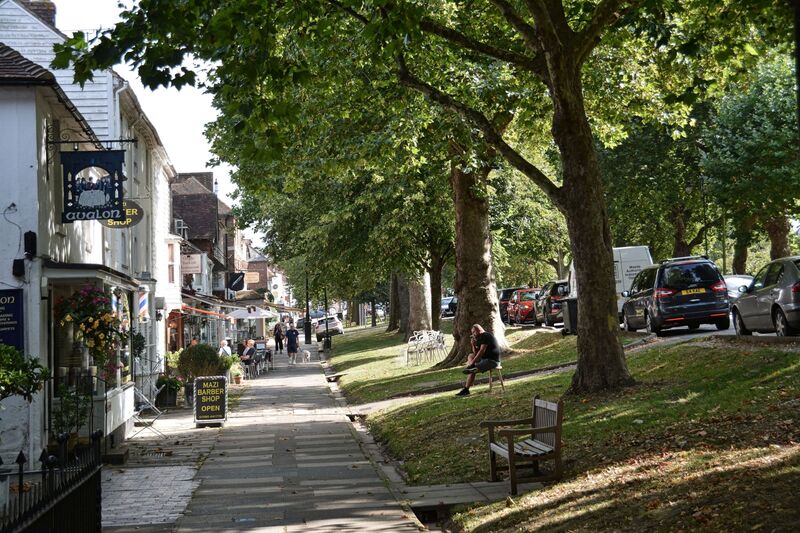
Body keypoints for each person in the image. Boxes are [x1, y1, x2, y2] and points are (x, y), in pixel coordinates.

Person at [456, 324, 501, 396]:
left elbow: (482, 351)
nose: (473, 334)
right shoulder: (479, 338)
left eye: (474, 332)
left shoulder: (485, 335)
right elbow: (476, 353)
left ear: (479, 330)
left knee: (473, 370)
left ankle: (466, 388)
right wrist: (473, 344)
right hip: (484, 359)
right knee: (471, 355)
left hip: (492, 361)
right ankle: (472, 367)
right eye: (472, 332)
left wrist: (472, 363)